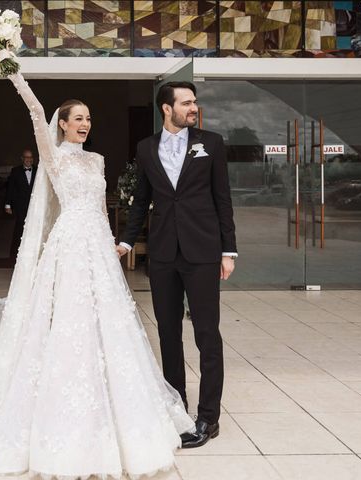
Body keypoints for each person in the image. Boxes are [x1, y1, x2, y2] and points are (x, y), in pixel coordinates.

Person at [0, 65, 194, 478]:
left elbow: (97, 207)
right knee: (64, 321)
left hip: (96, 246)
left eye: (89, 119)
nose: (85, 124)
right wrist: (14, 73)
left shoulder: (96, 160)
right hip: (68, 247)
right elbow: (35, 112)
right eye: (77, 118)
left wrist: (113, 242)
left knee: (106, 323)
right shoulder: (54, 156)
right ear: (61, 124)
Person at [116, 81, 237, 448]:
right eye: (186, 103)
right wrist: (124, 241)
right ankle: (177, 407)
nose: (193, 108)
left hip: (203, 252)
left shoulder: (211, 143)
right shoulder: (145, 148)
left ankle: (208, 417)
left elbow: (223, 199)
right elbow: (141, 200)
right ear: (166, 109)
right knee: (168, 333)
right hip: (164, 254)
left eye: (194, 102)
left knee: (206, 334)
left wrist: (227, 251)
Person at [4, 149, 37, 261]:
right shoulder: (15, 171)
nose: (29, 159)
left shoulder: (38, 170)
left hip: (34, 206)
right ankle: (15, 254)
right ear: (22, 158)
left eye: (30, 157)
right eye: (26, 157)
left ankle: (31, 253)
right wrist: (8, 204)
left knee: (34, 229)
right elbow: (10, 188)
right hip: (20, 205)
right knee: (19, 229)